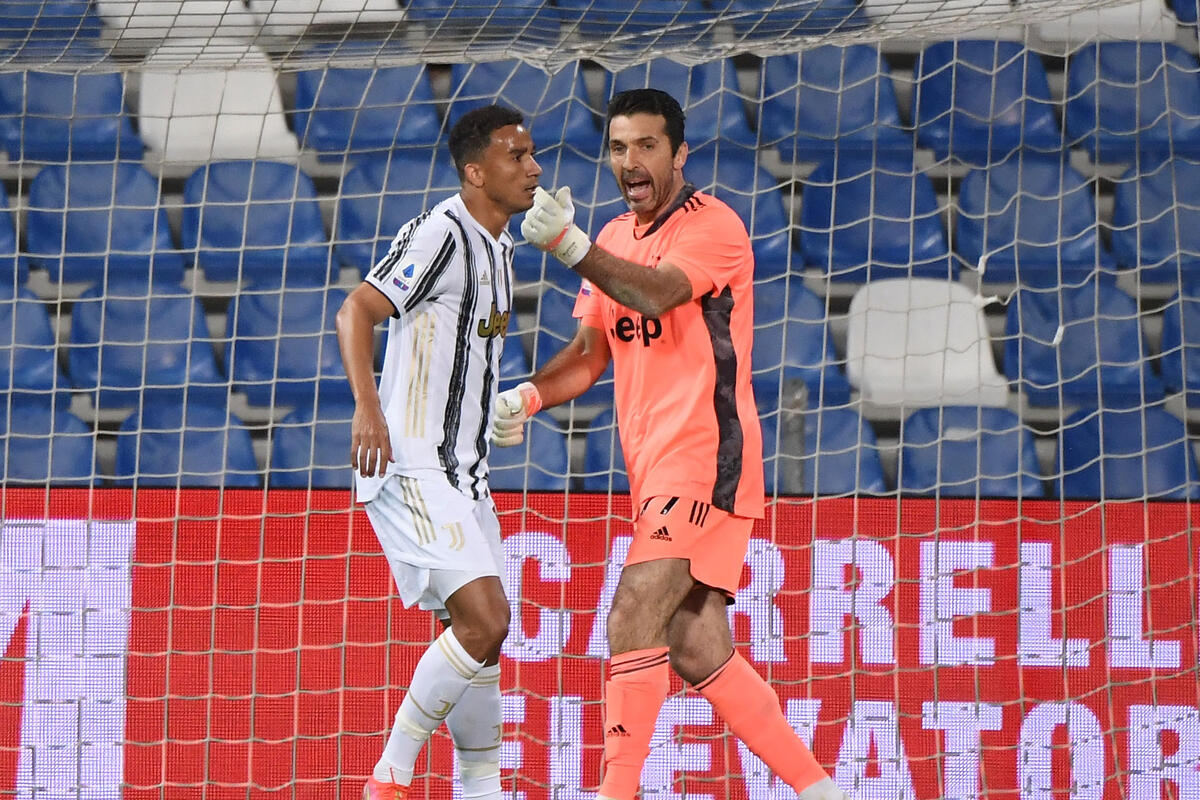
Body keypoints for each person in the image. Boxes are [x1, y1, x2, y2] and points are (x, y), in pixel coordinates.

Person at [495, 89, 851, 800]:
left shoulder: (714, 225)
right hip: (653, 468)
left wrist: (570, 247)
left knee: (632, 611)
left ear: (679, 153)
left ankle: (615, 792)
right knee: (694, 644)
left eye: (647, 145)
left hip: (708, 458)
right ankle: (821, 790)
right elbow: (589, 353)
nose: (630, 160)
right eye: (618, 147)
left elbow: (657, 293)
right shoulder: (612, 236)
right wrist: (528, 395)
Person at [335, 104, 542, 800]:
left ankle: (480, 786)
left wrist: (494, 416)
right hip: (412, 465)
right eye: (517, 156)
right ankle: (390, 774)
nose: (534, 168)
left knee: (479, 642)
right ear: (475, 172)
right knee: (487, 619)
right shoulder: (442, 233)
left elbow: (456, 355)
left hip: (465, 475)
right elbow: (356, 310)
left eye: (533, 153)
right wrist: (369, 409)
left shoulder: (501, 248)